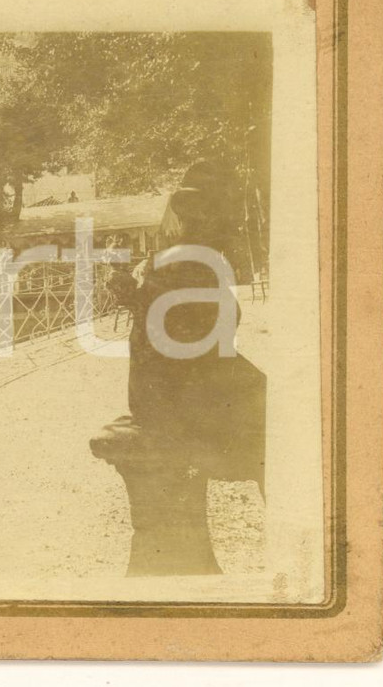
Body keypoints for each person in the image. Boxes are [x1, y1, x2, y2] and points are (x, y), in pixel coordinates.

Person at [89, 160, 266, 576]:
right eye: (221, 215)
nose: (231, 224)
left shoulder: (185, 261)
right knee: (289, 424)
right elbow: (196, 343)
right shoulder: (187, 262)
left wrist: (133, 292)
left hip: (171, 386)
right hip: (174, 397)